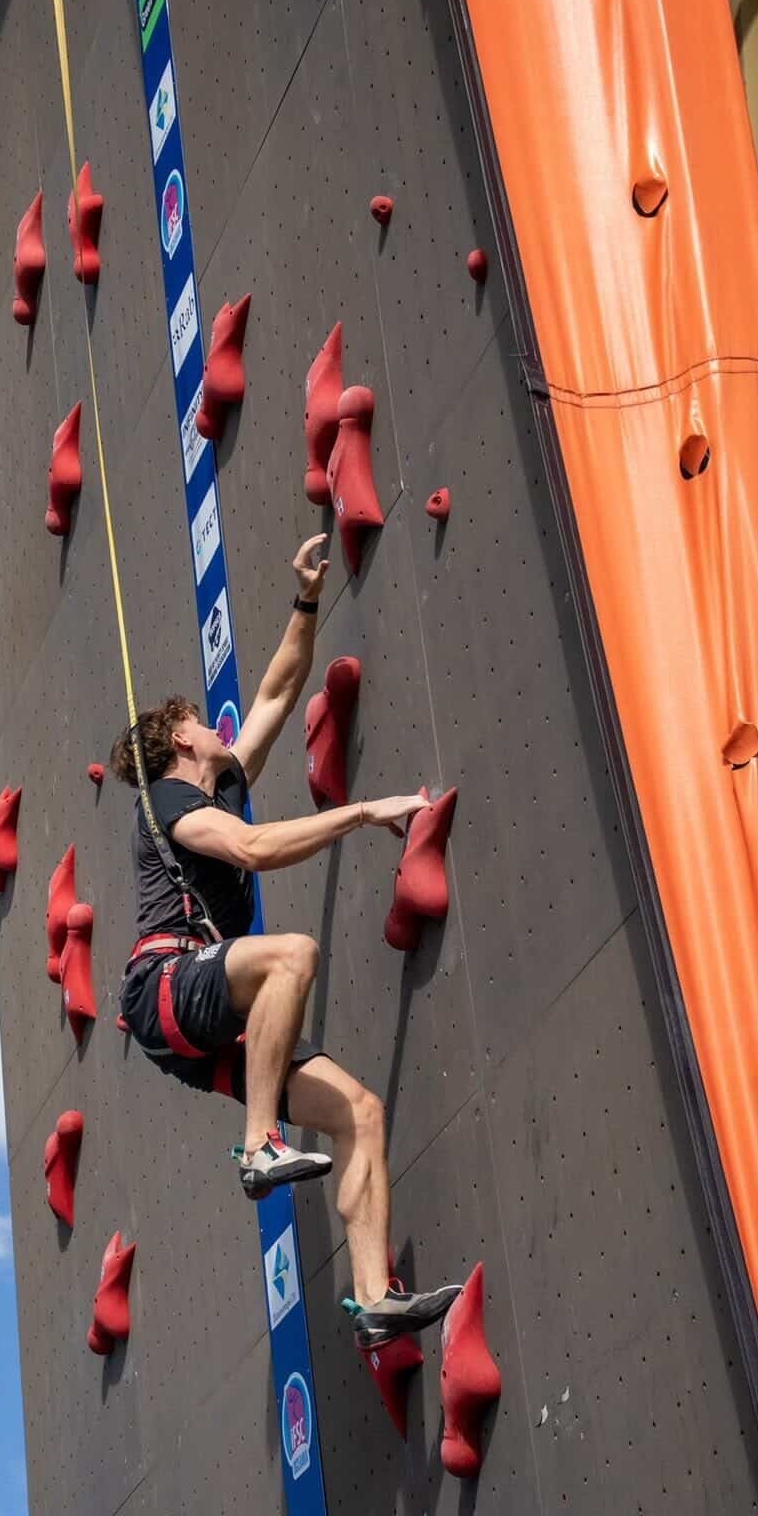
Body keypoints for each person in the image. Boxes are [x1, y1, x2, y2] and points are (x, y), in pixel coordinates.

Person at [112, 534, 458, 1349]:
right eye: (198, 720)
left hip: (220, 1023)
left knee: (360, 1112)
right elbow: (255, 851)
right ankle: (260, 1143)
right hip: (164, 989)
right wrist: (366, 811)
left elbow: (277, 685)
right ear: (182, 743)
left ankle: (375, 1298)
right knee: (292, 952)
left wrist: (306, 599)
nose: (210, 721)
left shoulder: (222, 778)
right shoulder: (167, 800)